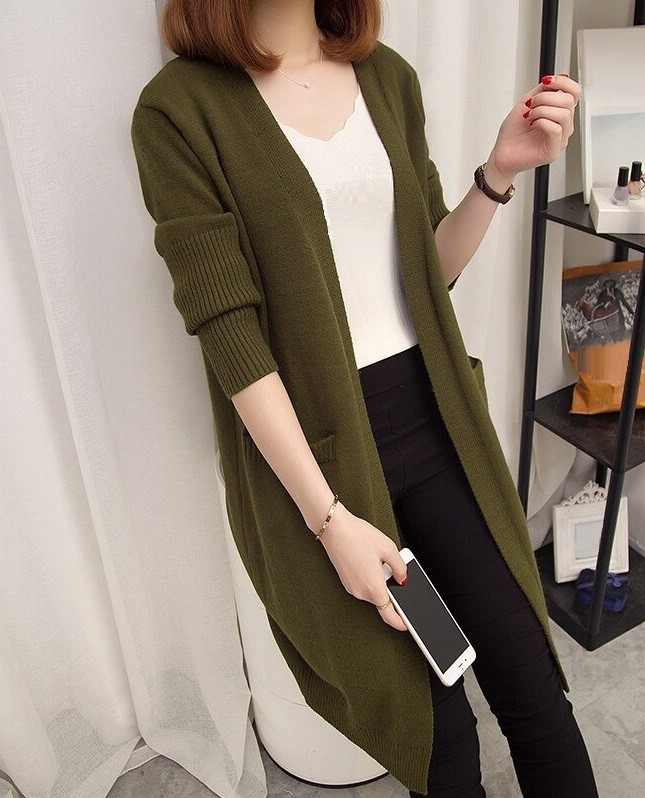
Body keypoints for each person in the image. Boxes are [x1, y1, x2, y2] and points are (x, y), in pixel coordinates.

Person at [130, 1, 597, 795]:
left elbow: (426, 272)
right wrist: (329, 520)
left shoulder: (386, 78)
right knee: (435, 734)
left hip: (438, 427)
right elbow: (230, 336)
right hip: (321, 460)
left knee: (530, 684)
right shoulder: (180, 109)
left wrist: (498, 172)